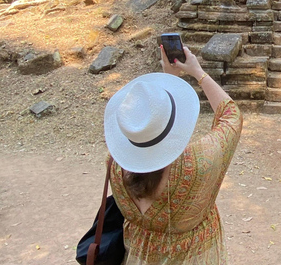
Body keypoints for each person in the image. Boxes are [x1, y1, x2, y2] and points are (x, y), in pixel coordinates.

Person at [103, 45, 243, 265]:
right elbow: (231, 116)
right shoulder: (198, 163)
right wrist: (198, 72)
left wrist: (170, 81)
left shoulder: (115, 164)